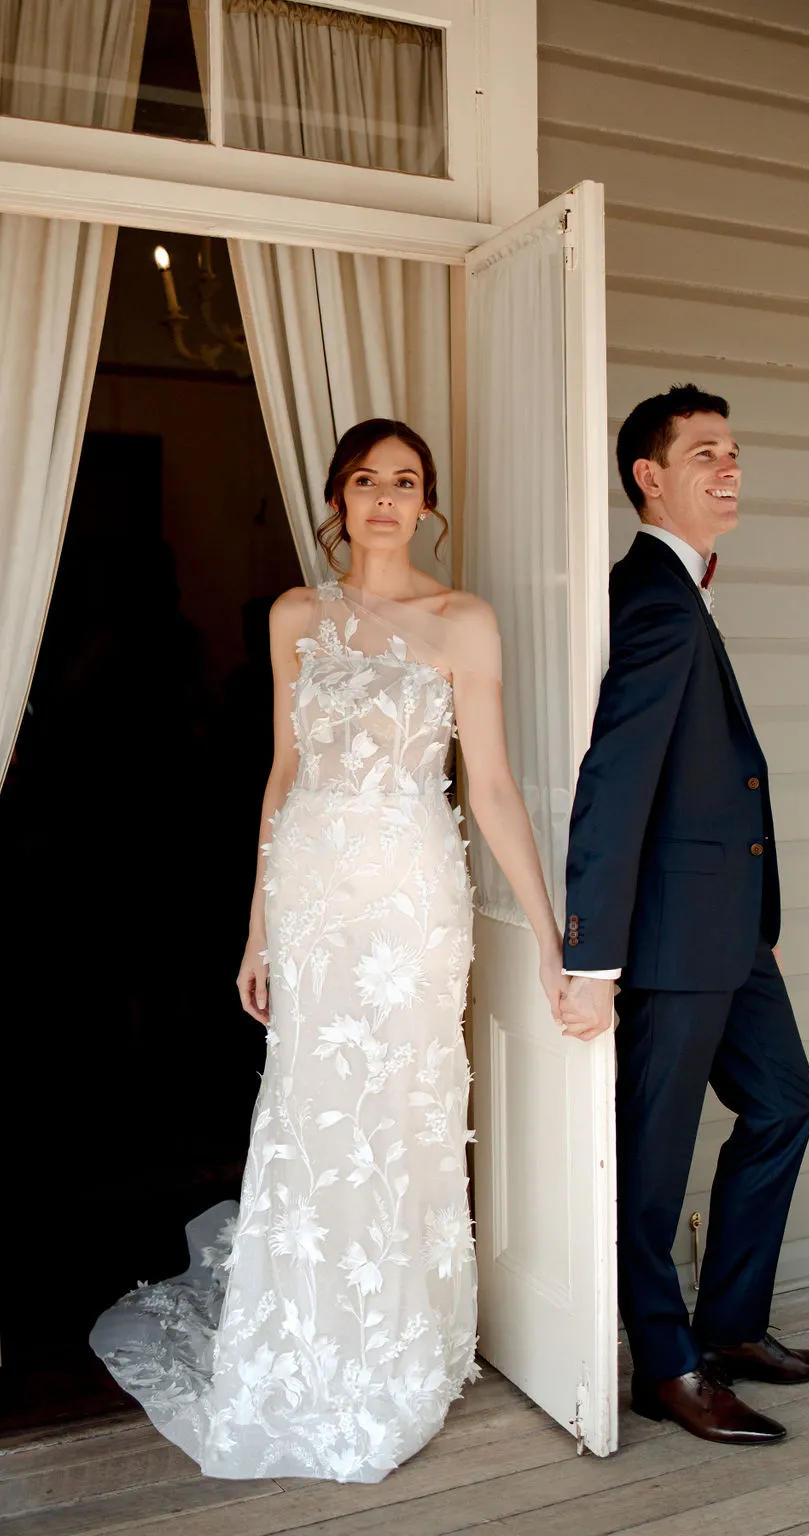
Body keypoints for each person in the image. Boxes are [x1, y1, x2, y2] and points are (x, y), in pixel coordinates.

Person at [92, 419, 566, 1482]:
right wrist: (259, 924)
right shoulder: (297, 616)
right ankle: (306, 1334)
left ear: (429, 504)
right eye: (367, 481)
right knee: (313, 1111)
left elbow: (486, 788)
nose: (387, 499)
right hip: (312, 899)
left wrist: (546, 933)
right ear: (338, 499)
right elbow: (282, 771)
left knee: (401, 1112)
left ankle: (392, 1345)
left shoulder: (463, 622)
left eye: (406, 482)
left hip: (409, 903)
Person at [559, 383, 809, 1446]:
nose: (729, 471)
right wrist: (590, 954)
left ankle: (728, 1326)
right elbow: (615, 777)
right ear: (649, 475)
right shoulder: (654, 598)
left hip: (733, 929)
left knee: (783, 1102)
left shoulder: (687, 593)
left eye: (735, 454)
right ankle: (664, 1364)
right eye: (706, 454)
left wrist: (760, 903)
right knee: (652, 1161)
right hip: (671, 942)